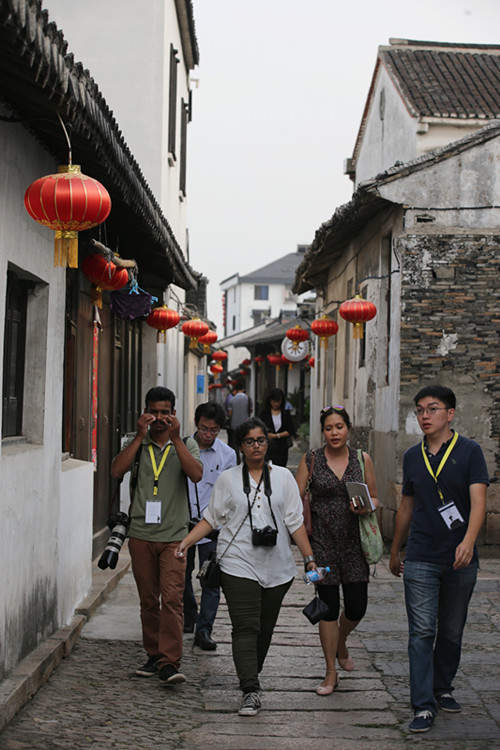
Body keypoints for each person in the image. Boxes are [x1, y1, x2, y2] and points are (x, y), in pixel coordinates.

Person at [175, 417, 316, 716]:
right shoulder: (228, 479)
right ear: (240, 446)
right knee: (245, 627)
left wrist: (309, 558)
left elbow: (295, 521)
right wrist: (186, 542)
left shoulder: (283, 478)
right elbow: (211, 518)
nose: (256, 446)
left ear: (268, 443)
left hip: (277, 567)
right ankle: (250, 689)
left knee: (264, 630)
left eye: (261, 440)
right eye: (249, 441)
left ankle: (250, 672)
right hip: (237, 563)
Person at [389, 385, 489, 734]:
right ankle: (423, 705)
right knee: (421, 631)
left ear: (450, 414)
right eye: (419, 410)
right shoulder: (412, 456)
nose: (424, 416)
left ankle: (442, 686)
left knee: (450, 631)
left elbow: (479, 502)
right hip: (420, 556)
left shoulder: (471, 452)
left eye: (432, 409)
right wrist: (395, 548)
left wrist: (469, 541)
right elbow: (407, 506)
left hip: (461, 557)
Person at [110, 386, 202, 686]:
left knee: (173, 599)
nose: (159, 418)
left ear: (173, 413)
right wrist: (138, 436)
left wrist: (176, 440)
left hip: (175, 536)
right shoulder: (136, 442)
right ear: (145, 412)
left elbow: (197, 474)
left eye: (165, 412)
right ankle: (153, 655)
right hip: (140, 535)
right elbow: (115, 471)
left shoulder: (186, 443)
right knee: (148, 600)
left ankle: (170, 661)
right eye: (154, 412)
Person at [295, 406, 379, 695]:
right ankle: (330, 672)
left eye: (339, 427)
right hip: (323, 544)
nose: (334, 432)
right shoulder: (312, 459)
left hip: (355, 544)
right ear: (323, 431)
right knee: (328, 608)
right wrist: (307, 555)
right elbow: (296, 502)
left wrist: (368, 505)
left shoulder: (361, 458)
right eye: (329, 428)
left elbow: (376, 496)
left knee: (357, 607)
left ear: (348, 429)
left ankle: (341, 641)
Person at [183, 401, 237, 650]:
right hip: (182, 523)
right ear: (196, 424)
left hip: (213, 525)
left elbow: (229, 492)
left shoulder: (227, 454)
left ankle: (204, 630)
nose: (207, 435)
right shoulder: (182, 448)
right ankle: (187, 616)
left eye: (213, 430)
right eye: (204, 428)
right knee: (180, 576)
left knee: (211, 580)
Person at [258, 387, 295, 467]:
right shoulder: (264, 413)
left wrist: (276, 435)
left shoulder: (285, 414)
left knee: (281, 469)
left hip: (282, 447)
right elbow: (259, 428)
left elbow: (290, 430)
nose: (276, 404)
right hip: (268, 447)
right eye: (274, 401)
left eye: (278, 401)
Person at [227, 381, 252, 454]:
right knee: (245, 443)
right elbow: (250, 410)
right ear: (243, 389)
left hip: (234, 426)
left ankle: (236, 460)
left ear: (236, 390)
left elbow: (230, 414)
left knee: (235, 445)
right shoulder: (249, 399)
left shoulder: (231, 400)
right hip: (245, 425)